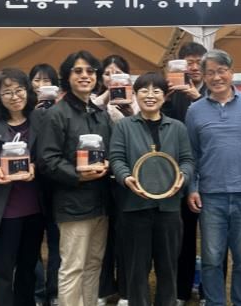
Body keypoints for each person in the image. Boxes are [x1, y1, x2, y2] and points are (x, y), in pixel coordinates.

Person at [185, 49, 241, 306]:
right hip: (211, 196)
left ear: (231, 72)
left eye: (221, 71)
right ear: (203, 77)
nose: (216, 77)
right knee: (212, 258)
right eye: (210, 72)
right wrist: (192, 187)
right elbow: (191, 153)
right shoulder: (195, 110)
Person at [109, 72, 195, 306]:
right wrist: (126, 178)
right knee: (136, 270)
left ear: (165, 96)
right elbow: (116, 158)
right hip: (134, 209)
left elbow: (187, 160)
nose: (150, 95)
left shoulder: (177, 127)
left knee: (168, 268)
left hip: (169, 208)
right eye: (144, 90)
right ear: (135, 95)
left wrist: (183, 177)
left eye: (156, 91)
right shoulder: (124, 126)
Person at [38, 51, 113, 306]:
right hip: (72, 204)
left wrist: (109, 164)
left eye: (90, 71)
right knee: (72, 267)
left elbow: (110, 151)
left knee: (94, 264)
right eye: (78, 71)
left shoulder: (100, 114)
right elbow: (47, 159)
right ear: (67, 76)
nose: (85, 76)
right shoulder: (56, 114)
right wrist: (78, 175)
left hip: (101, 203)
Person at [0, 68, 44, 306]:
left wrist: (35, 166)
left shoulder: (39, 121)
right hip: (5, 211)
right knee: (3, 270)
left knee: (28, 267)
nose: (14, 96)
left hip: (35, 208)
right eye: (7, 92)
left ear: (28, 91)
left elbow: (48, 157)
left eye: (19, 90)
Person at [160, 42, 209, 305]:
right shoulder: (175, 92)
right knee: (183, 237)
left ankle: (209, 292)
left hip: (211, 173)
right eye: (189, 61)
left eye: (199, 61)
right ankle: (181, 291)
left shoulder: (214, 90)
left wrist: (198, 99)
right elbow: (162, 126)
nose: (194, 66)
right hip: (181, 174)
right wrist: (167, 99)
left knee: (213, 239)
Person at [92, 55, 136, 306]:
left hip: (126, 177)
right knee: (102, 235)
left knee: (126, 234)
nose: (112, 78)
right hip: (99, 177)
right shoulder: (96, 101)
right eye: (107, 73)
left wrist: (128, 108)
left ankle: (127, 290)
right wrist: (109, 94)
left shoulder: (134, 100)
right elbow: (90, 110)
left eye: (118, 73)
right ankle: (104, 287)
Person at [28, 63, 62, 306]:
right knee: (32, 241)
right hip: (30, 185)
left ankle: (54, 291)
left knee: (57, 240)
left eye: (47, 81)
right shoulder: (23, 110)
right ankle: (37, 291)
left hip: (57, 185)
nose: (42, 86)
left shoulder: (63, 110)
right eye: (37, 80)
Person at [93, 54, 138, 122]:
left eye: (117, 73)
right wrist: (110, 90)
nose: (111, 77)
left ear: (126, 76)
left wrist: (130, 115)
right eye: (107, 74)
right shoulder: (94, 97)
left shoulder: (135, 99)